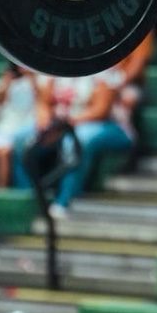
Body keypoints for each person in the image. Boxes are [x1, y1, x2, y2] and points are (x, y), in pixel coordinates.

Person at [13, 70, 134, 217]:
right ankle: (30, 197)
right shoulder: (53, 68)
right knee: (20, 139)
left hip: (104, 125)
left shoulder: (103, 71)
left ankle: (64, 201)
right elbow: (43, 103)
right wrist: (45, 122)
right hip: (59, 125)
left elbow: (101, 110)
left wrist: (66, 125)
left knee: (76, 141)